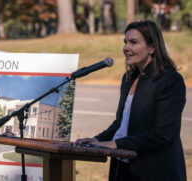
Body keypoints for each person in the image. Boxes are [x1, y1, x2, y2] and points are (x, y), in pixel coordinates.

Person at [74, 20, 187, 181]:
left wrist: (116, 144)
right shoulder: (128, 78)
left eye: (133, 42)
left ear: (152, 47)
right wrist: (98, 139)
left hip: (155, 171)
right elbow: (121, 124)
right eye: (125, 42)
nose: (126, 48)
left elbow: (163, 134)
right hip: (123, 169)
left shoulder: (170, 81)